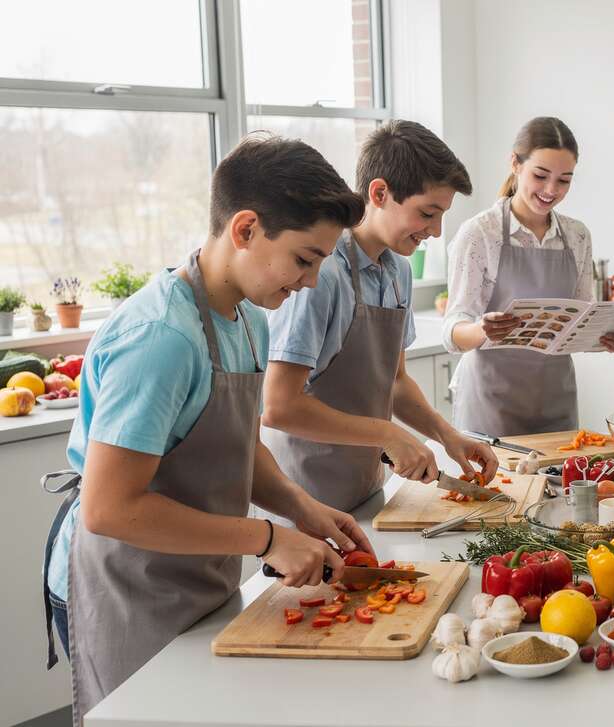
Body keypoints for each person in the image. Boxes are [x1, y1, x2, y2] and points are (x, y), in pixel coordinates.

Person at [41, 135, 376, 727]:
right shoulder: (162, 339)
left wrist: (301, 508)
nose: (311, 281)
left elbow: (235, 444)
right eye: (304, 259)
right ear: (245, 229)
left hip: (191, 572)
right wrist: (268, 539)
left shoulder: (247, 318)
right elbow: (110, 508)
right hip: (124, 583)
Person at [262, 120, 496, 512]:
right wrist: (386, 433)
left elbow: (396, 381)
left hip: (365, 486)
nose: (436, 231)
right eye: (428, 213)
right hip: (304, 498)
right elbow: (279, 407)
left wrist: (447, 435)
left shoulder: (398, 270)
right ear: (380, 193)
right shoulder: (321, 275)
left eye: (442, 215)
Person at [443, 117, 614, 436]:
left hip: (555, 400)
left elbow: (578, 322)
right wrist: (481, 330)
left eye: (564, 180)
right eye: (540, 176)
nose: (551, 190)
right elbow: (452, 330)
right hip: (491, 401)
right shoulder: (480, 233)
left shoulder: (577, 235)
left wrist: (606, 337)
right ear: (515, 164)